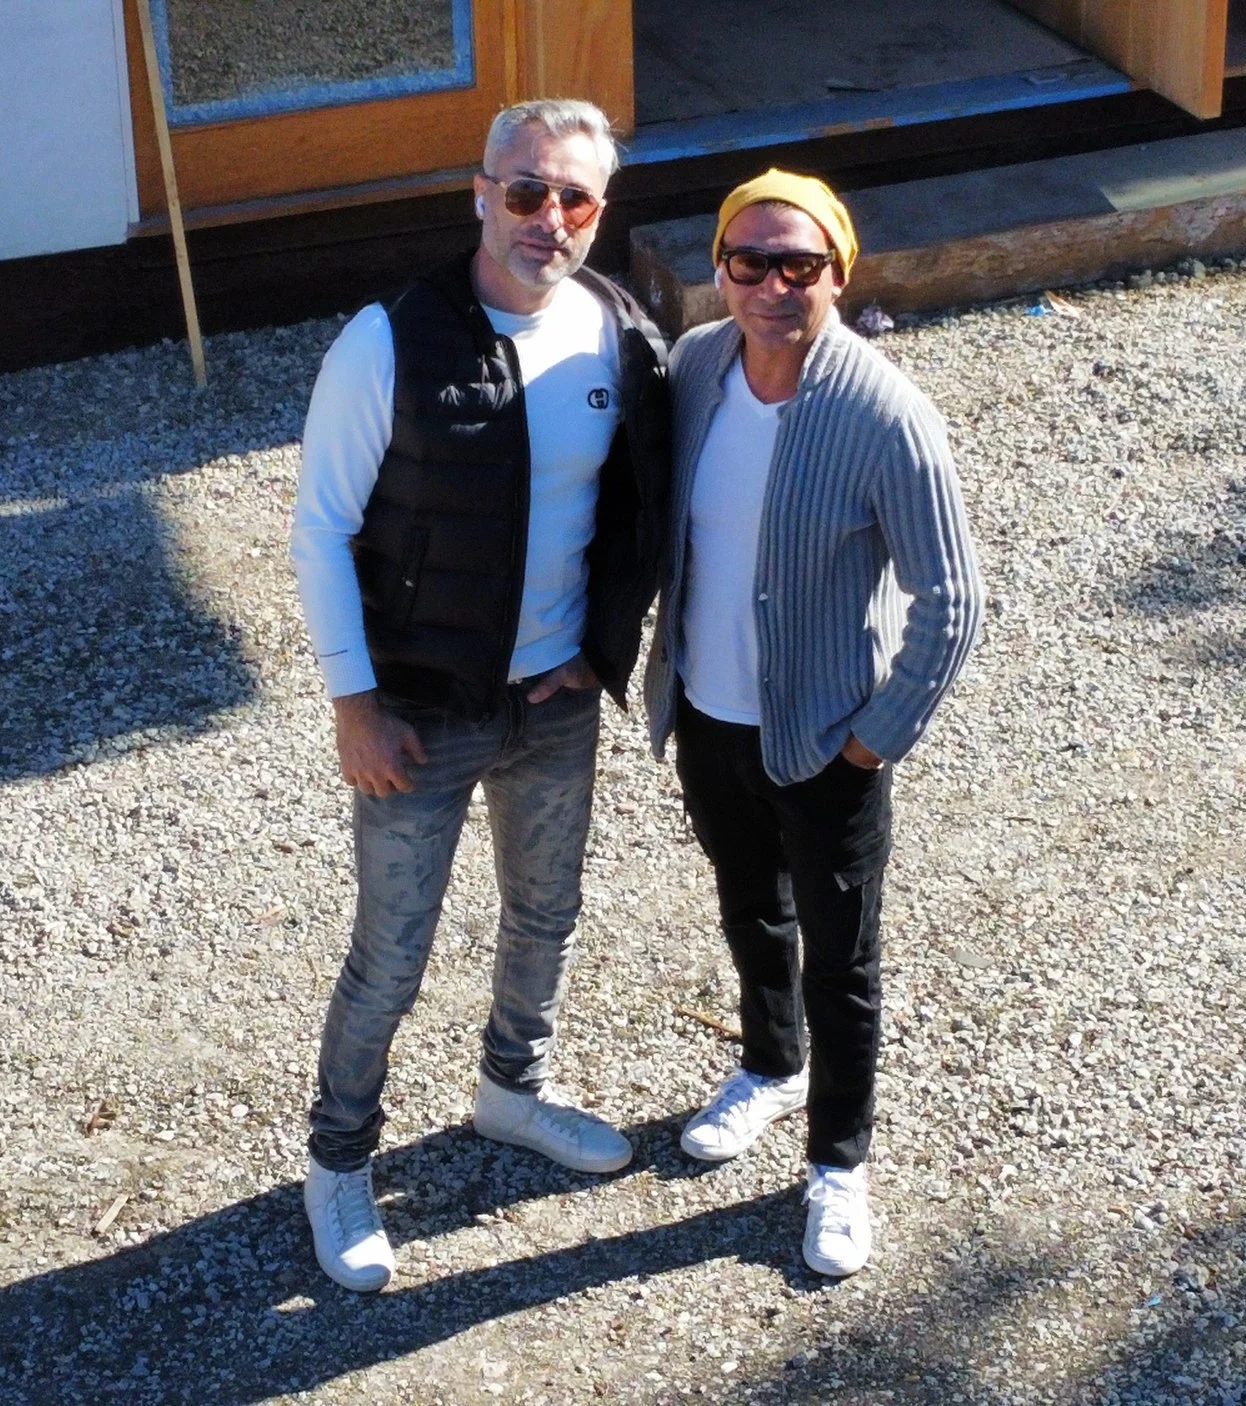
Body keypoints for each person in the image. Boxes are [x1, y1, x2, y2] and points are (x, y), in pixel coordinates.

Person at [288, 98, 671, 1294]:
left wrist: (600, 657)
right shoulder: (387, 340)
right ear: (478, 192)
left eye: (574, 199)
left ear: (599, 213)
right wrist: (356, 703)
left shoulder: (618, 331)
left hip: (550, 702)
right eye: (524, 191)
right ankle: (337, 1158)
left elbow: (640, 517)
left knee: (543, 914)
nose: (545, 219)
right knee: (390, 954)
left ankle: (512, 1089)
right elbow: (318, 526)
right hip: (421, 708)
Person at [644, 170, 982, 1277]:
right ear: (720, 269)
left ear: (841, 271)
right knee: (751, 908)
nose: (774, 285)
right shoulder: (696, 366)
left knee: (841, 958)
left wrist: (874, 735)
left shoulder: (885, 412)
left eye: (801, 265)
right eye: (750, 261)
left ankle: (838, 1159)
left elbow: (955, 600)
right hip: (709, 714)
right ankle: (767, 1062)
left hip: (826, 737)